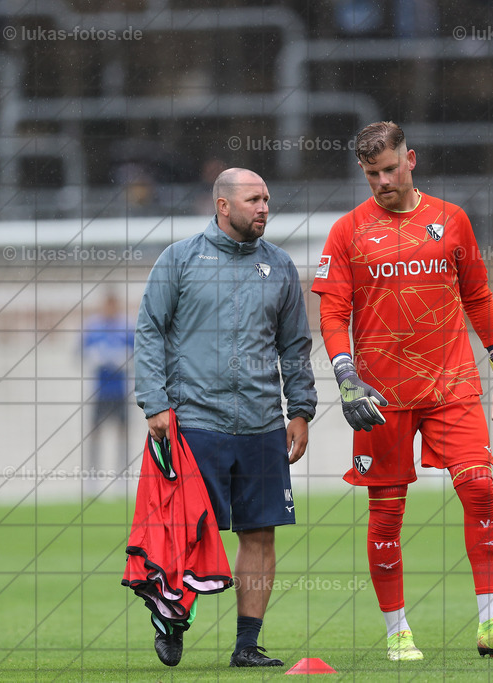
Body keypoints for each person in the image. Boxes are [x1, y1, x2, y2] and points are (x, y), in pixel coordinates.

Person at [311, 122, 493, 660]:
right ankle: (398, 632)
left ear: (410, 159)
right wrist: (345, 375)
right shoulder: (347, 232)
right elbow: (332, 311)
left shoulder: (450, 219)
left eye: (390, 169)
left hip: (451, 383)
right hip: (379, 394)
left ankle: (492, 624)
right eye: (372, 174)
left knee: (480, 489)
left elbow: (477, 295)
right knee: (386, 512)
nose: (382, 181)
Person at [134, 168, 317, 668]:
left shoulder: (279, 266)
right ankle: (171, 619)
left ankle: (247, 646)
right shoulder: (180, 259)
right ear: (223, 205)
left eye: (267, 199)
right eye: (254, 199)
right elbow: (150, 330)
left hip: (261, 424)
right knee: (189, 533)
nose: (263, 207)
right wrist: (154, 402)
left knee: (260, 533)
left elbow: (294, 346)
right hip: (196, 421)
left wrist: (299, 410)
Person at [81, 291, 134, 493]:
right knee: (96, 434)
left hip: (120, 391)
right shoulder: (93, 327)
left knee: (122, 433)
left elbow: (138, 354)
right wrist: (96, 356)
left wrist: (124, 358)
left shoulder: (127, 327)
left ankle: (122, 476)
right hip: (100, 391)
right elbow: (80, 353)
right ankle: (93, 477)